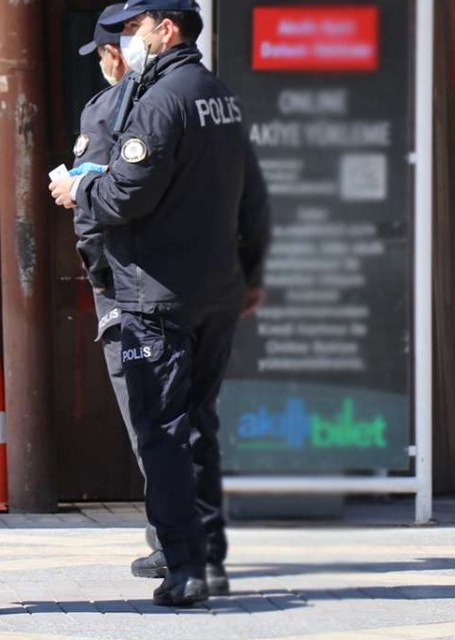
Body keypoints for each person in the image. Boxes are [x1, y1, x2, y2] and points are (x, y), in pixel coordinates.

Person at [49, 0, 271, 607]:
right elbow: (251, 193)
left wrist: (79, 187)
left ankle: (183, 566)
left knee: (162, 433)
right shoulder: (217, 94)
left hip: (158, 295)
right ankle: (206, 555)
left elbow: (125, 196)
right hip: (213, 290)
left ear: (165, 29)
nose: (125, 40)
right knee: (197, 423)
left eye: (133, 28)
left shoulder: (158, 102)